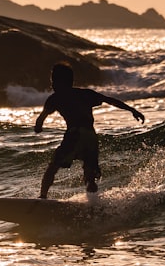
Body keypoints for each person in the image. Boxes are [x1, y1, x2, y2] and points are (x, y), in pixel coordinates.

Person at [34, 62, 145, 198]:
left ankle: (42, 197)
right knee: (89, 174)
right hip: (91, 136)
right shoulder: (86, 94)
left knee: (53, 167)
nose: (52, 84)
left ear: (59, 81)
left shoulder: (55, 98)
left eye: (53, 80)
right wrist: (132, 110)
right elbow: (110, 100)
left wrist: (38, 128)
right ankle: (92, 202)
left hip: (75, 134)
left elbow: (39, 122)